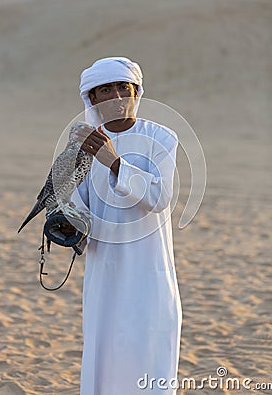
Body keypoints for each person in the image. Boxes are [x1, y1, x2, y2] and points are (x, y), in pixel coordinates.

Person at [71, 57, 182, 395]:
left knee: (150, 351)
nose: (118, 95)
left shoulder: (161, 137)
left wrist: (114, 161)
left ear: (137, 92)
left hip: (150, 270)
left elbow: (160, 198)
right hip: (105, 269)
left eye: (124, 87)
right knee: (104, 355)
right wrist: (67, 222)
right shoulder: (83, 142)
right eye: (106, 89)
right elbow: (77, 206)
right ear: (92, 99)